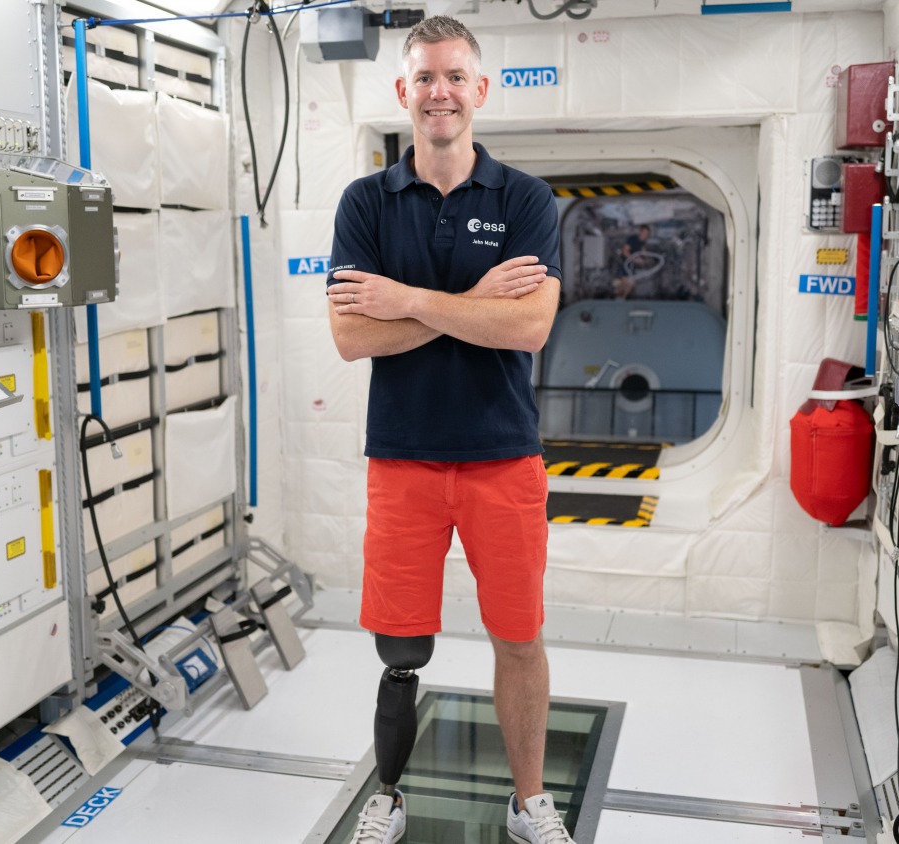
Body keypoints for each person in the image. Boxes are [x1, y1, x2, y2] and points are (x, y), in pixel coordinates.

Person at [324, 15, 574, 844]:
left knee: (520, 639)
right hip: (402, 459)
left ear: (480, 90)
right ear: (404, 91)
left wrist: (409, 300)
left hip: (504, 456)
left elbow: (530, 329)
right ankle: (386, 795)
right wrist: (475, 306)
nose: (440, 92)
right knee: (400, 648)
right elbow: (353, 337)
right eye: (425, 77)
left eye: (455, 76)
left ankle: (530, 800)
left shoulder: (526, 200)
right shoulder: (365, 203)